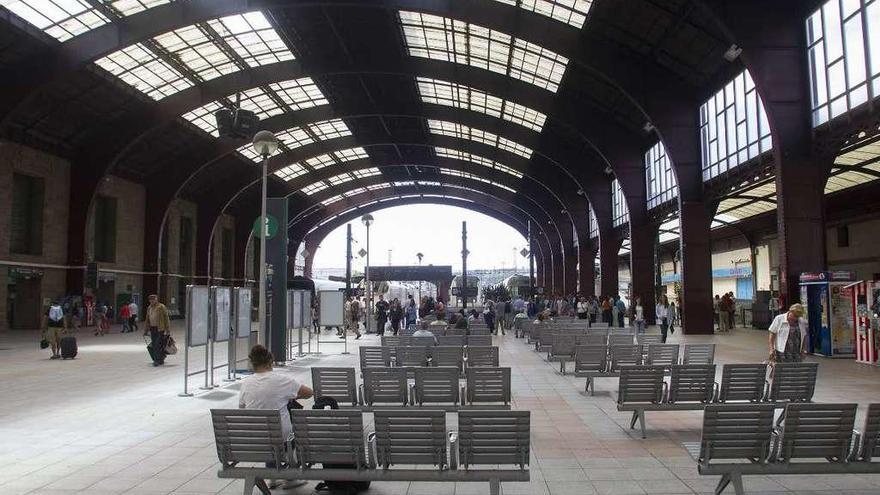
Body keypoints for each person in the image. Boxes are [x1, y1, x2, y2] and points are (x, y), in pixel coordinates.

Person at [238, 344, 313, 489]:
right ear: (270, 362)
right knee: (289, 430)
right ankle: (290, 477)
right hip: (281, 440)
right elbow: (309, 392)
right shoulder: (281, 380)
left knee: (268, 428)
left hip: (256, 440)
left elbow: (242, 407)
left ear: (253, 363)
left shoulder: (246, 383)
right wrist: (290, 396)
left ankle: (272, 477)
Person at [145, 294, 171, 366]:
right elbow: (147, 319)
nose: (152, 301)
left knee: (157, 344)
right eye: (150, 299)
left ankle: (156, 360)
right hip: (152, 328)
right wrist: (145, 330)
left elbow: (166, 318)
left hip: (160, 328)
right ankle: (160, 359)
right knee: (155, 344)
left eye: (153, 299)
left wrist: (168, 329)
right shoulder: (149, 308)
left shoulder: (161, 307)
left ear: (156, 299)